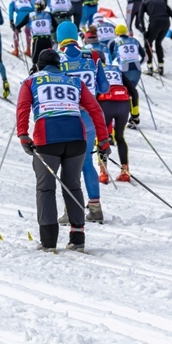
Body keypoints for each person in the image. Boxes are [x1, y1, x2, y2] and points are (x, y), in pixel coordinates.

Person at [15, 48, 110, 252]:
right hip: (76, 137)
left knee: (46, 188)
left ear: (39, 66)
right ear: (59, 65)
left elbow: (23, 107)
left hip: (47, 138)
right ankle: (77, 238)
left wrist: (23, 134)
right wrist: (103, 140)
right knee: (72, 185)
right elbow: (95, 109)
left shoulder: (31, 81)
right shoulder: (74, 81)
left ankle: (49, 242)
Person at [56, 22, 108, 223]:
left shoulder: (57, 58)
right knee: (87, 162)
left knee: (68, 163)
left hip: (68, 116)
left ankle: (71, 211)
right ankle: (95, 208)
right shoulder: (93, 55)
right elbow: (103, 88)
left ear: (60, 38)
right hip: (90, 116)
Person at [98, 60, 132, 183]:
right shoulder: (116, 70)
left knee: (101, 137)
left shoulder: (96, 70)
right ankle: (125, 171)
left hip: (106, 104)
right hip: (123, 104)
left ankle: (103, 172)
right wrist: (135, 114)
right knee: (120, 137)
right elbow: (133, 91)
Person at [107, 24, 144, 128]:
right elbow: (145, 56)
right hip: (137, 70)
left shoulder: (114, 41)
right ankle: (135, 117)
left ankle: (120, 117)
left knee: (123, 93)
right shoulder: (135, 40)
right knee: (132, 92)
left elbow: (109, 58)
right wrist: (138, 64)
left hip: (124, 70)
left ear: (117, 33)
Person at [135, 0, 172, 75]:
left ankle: (150, 67)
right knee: (158, 43)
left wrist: (143, 30)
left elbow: (140, 16)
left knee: (148, 44)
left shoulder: (144, 3)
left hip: (155, 23)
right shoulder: (162, 2)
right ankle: (161, 67)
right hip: (166, 23)